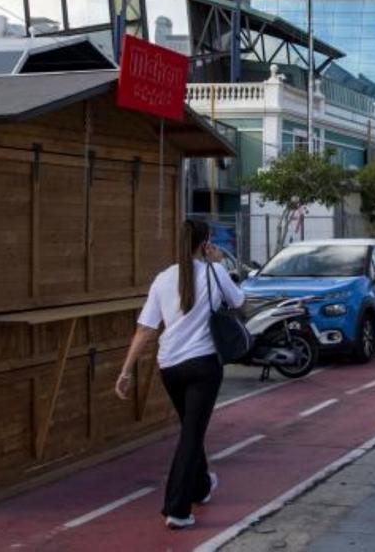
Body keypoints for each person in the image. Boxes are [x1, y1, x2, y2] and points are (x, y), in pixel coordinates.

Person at [115, 220, 245, 530]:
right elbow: (240, 302)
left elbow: (146, 329)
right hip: (203, 366)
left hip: (169, 367)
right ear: (206, 243)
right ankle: (177, 508)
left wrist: (126, 369)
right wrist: (217, 263)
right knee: (191, 434)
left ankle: (201, 486)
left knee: (191, 429)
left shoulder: (162, 279)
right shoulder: (215, 271)